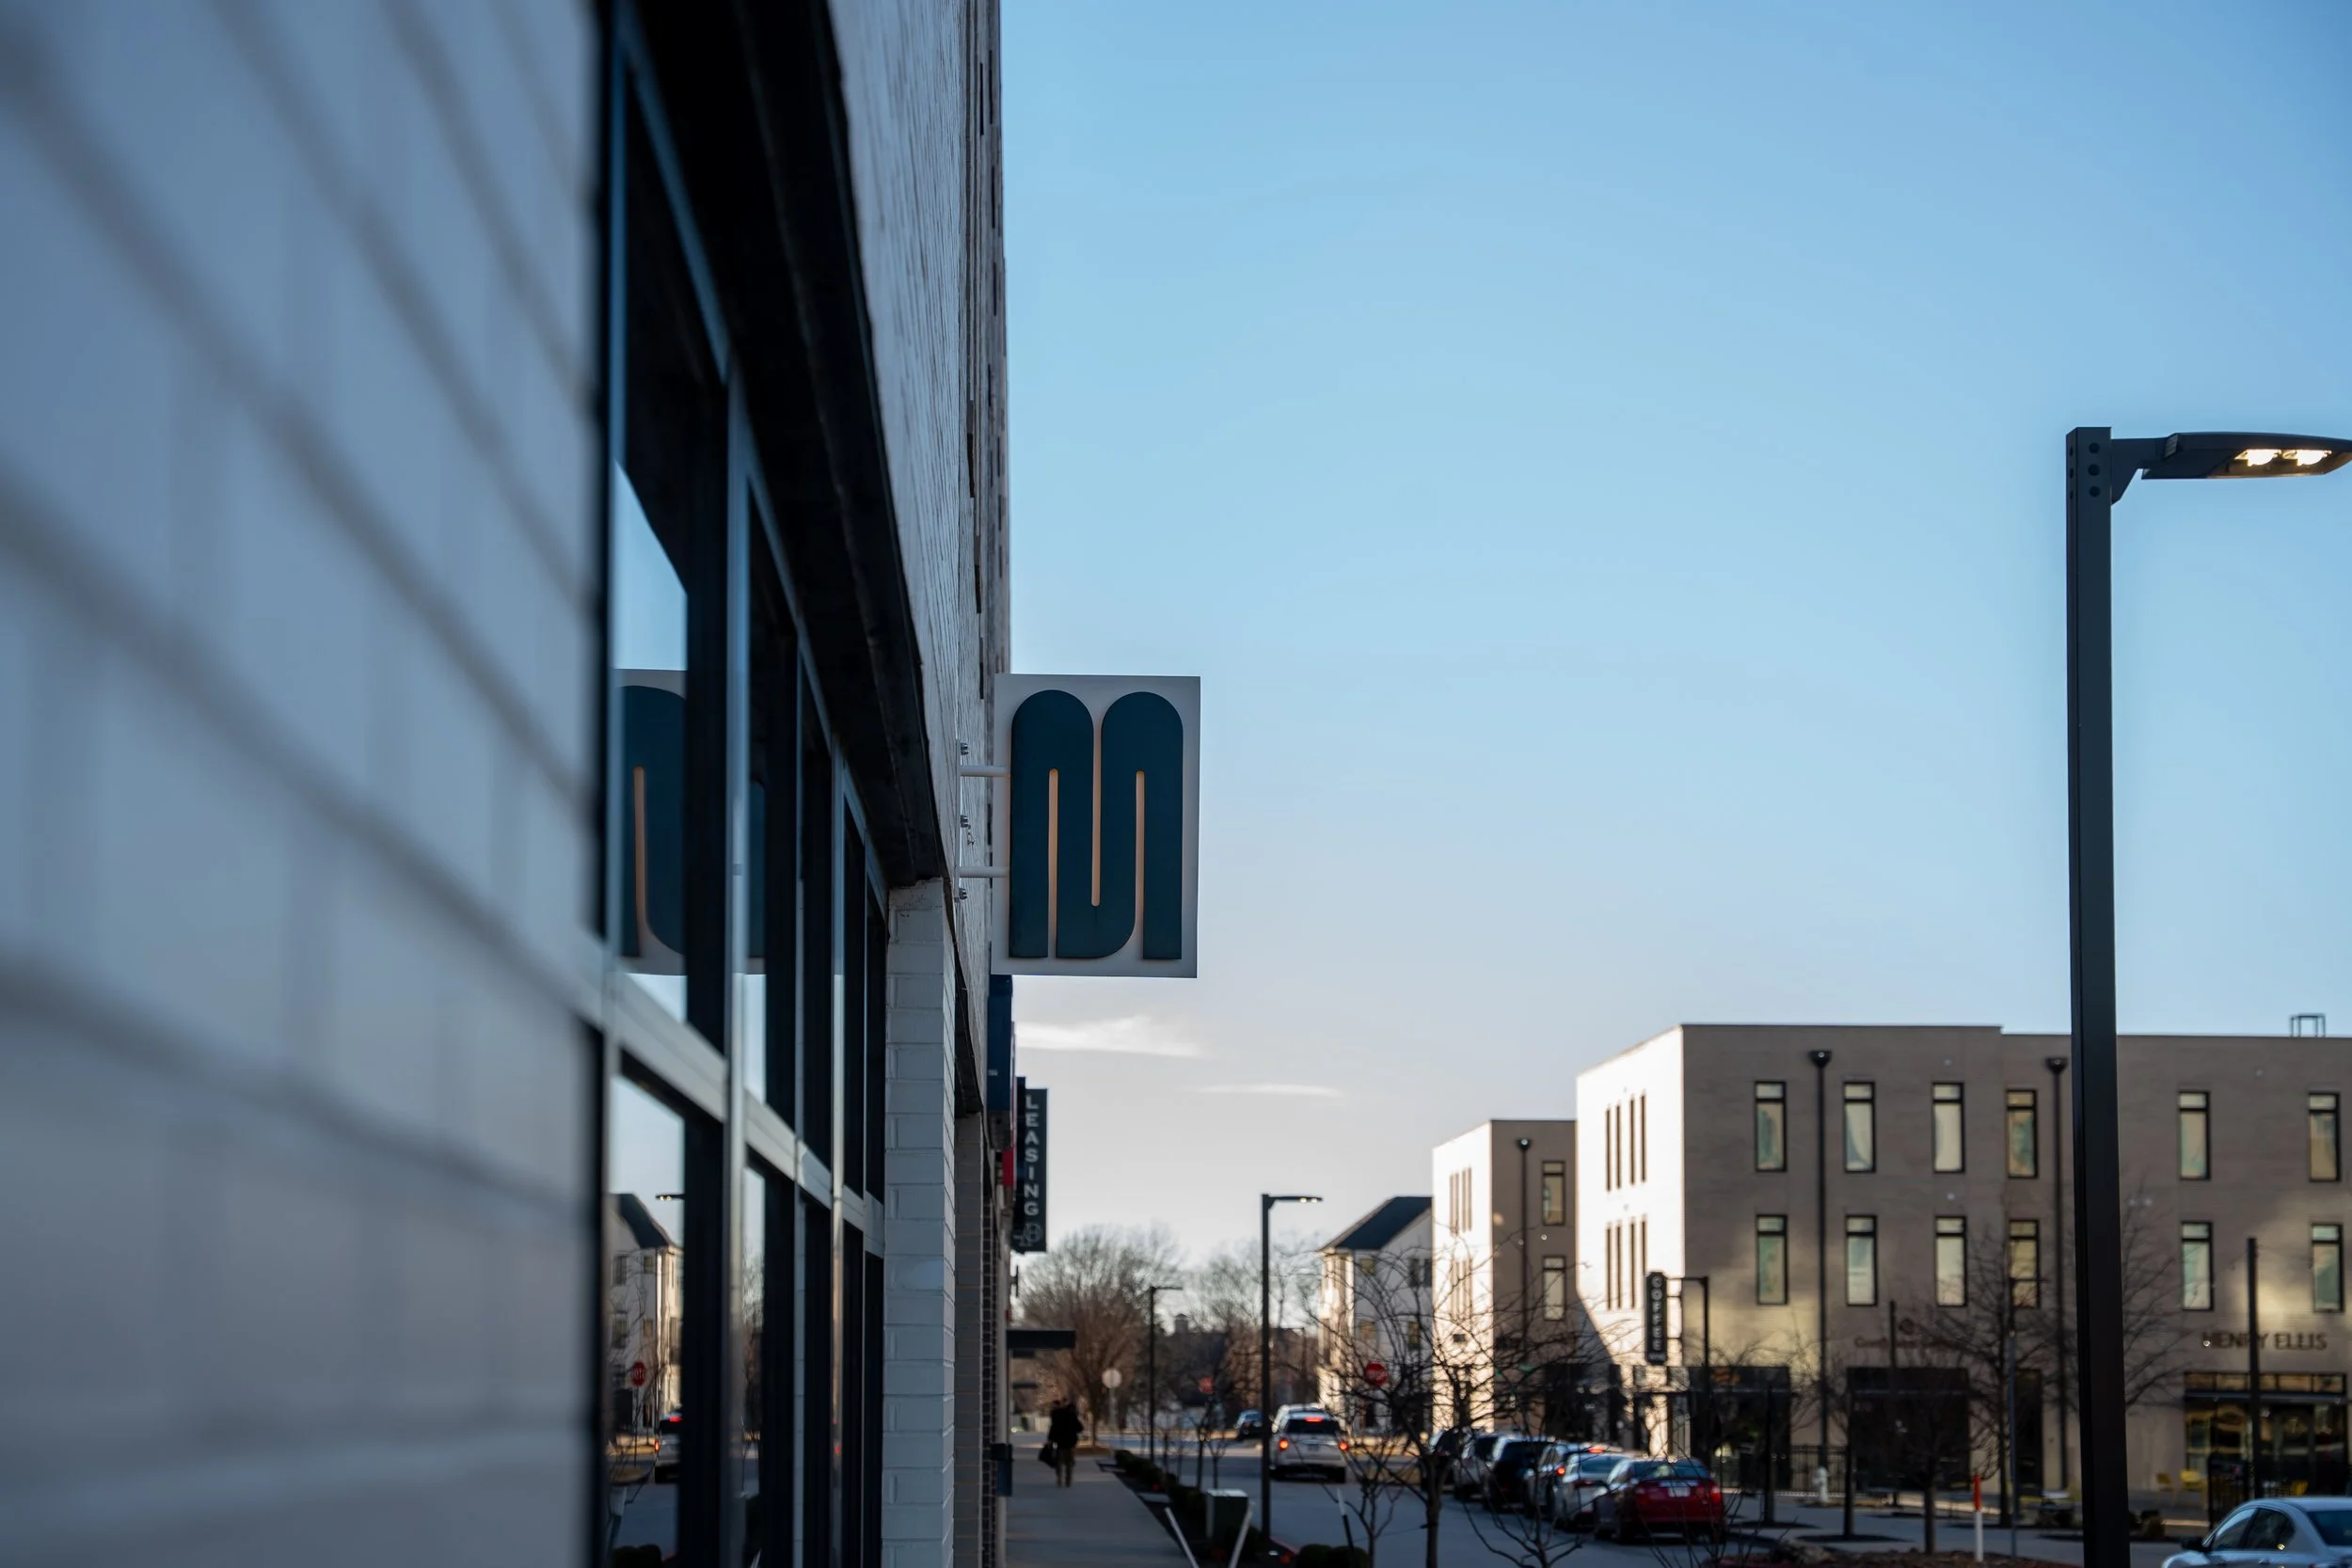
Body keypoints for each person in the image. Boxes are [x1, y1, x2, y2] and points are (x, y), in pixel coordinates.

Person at [1047, 1395, 1085, 1489]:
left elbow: (1053, 1428)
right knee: (1069, 1462)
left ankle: (1059, 1478)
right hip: (1070, 1441)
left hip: (1060, 1441)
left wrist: (1050, 1439)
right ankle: (1068, 1480)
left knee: (1059, 1461)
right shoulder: (1072, 1415)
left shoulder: (1056, 1415)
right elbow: (1080, 1428)